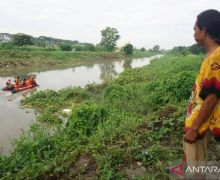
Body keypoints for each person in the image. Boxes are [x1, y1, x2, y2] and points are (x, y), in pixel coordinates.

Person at [183, 9, 220, 178]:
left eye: (195, 29)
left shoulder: (216, 58)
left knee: (196, 171)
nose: (193, 34)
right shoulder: (210, 55)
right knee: (192, 165)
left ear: (204, 30)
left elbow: (212, 97)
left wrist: (194, 128)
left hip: (200, 125)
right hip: (196, 121)